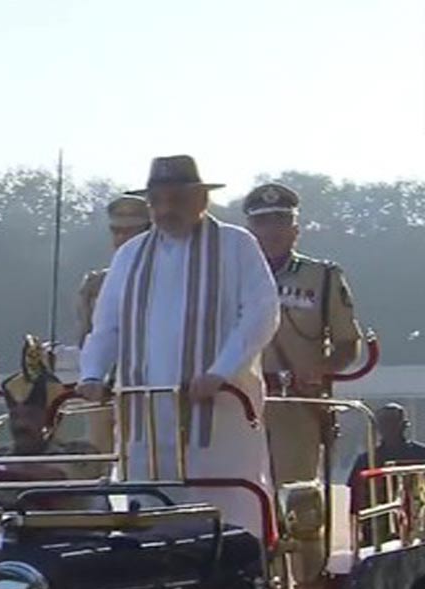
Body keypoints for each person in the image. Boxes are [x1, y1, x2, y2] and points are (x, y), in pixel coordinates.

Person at [79, 155, 280, 537]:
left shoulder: (236, 245)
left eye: (177, 198)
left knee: (226, 504)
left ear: (201, 199)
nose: (167, 208)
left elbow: (260, 315)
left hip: (218, 409)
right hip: (147, 416)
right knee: (152, 507)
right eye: (158, 200)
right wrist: (92, 373)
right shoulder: (130, 255)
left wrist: (221, 371)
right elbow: (107, 326)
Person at [244, 183, 364, 486]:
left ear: (296, 229)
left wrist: (322, 369)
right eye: (262, 222)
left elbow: (348, 343)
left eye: (282, 221)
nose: (272, 231)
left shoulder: (322, 277)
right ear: (249, 230)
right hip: (238, 403)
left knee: (295, 499)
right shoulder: (227, 277)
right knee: (239, 495)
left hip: (295, 402)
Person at [0, 336, 106, 512]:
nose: (21, 424)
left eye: (30, 415)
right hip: (3, 536)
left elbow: (53, 480)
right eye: (15, 415)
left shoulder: (81, 454)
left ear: (53, 417)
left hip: (66, 536)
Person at [77, 196, 152, 346]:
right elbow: (87, 341)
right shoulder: (96, 284)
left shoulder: (171, 278)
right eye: (116, 232)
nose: (121, 239)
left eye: (130, 232)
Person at [347, 404, 425, 529]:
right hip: (376, 526)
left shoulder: (421, 454)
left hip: (417, 523)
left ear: (403, 426)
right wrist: (356, 530)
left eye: (393, 423)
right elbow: (356, 499)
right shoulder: (366, 460)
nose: (390, 429)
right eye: (386, 424)